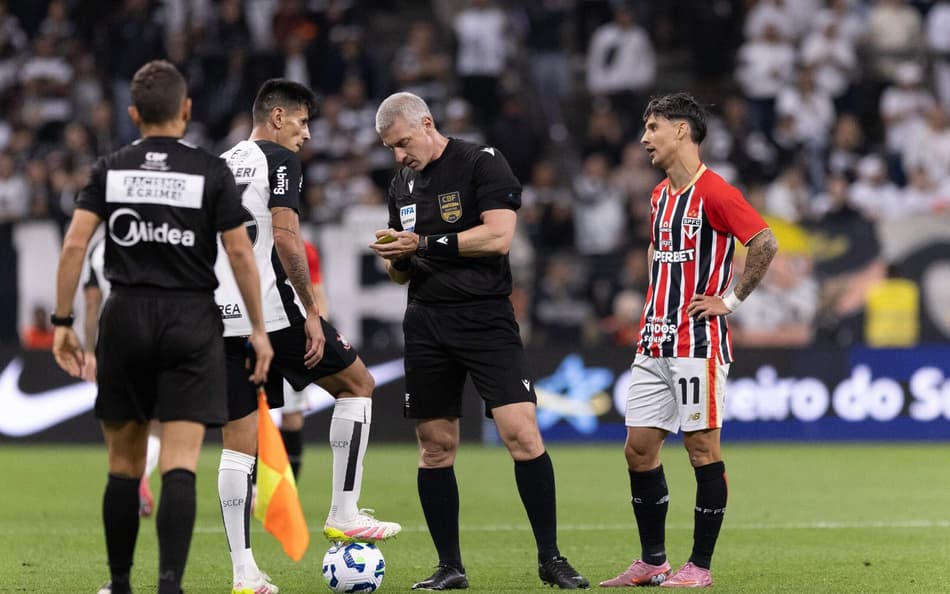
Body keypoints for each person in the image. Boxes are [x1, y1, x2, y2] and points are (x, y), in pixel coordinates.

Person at [51, 60, 273, 594]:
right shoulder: (210, 171)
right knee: (180, 462)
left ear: (133, 114)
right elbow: (240, 252)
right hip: (191, 322)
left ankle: (120, 584)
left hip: (125, 316)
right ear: (187, 110)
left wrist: (63, 323)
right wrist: (260, 330)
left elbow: (76, 245)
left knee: (124, 464)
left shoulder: (110, 169)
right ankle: (170, 585)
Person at [369, 91, 589, 590]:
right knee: (436, 448)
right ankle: (450, 567)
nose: (399, 155)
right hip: (425, 321)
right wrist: (397, 257)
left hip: (486, 317)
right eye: (390, 148)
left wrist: (421, 243)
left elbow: (498, 237)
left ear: (426, 124)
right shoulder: (402, 182)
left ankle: (550, 558)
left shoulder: (481, 162)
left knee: (522, 434)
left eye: (403, 143)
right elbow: (399, 274)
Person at [213, 78, 400, 594]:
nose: (307, 134)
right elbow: (287, 235)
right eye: (301, 122)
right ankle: (343, 510)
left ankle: (244, 574)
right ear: (276, 117)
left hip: (219, 319)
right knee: (357, 385)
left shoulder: (220, 163)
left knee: (238, 448)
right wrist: (312, 309)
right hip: (273, 312)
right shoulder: (279, 161)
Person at [599, 92, 777, 589]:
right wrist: (653, 302)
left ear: (681, 130)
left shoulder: (717, 191)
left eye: (652, 127)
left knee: (701, 449)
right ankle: (653, 561)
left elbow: (764, 242)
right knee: (638, 449)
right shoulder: (659, 196)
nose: (644, 137)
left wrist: (730, 300)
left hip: (697, 343)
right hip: (653, 340)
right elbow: (661, 255)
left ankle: (698, 566)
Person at [82, 237, 161, 518]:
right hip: (153, 333)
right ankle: (140, 475)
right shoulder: (152, 232)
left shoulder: (98, 247)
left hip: (112, 341)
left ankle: (126, 482)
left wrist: (90, 351)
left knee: (119, 425)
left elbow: (92, 304)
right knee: (156, 423)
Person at [278, 239, 330, 479]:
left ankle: (290, 492)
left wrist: (320, 331)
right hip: (254, 334)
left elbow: (317, 293)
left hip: (293, 338)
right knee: (251, 416)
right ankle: (255, 489)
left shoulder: (303, 248)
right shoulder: (249, 238)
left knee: (292, 416)